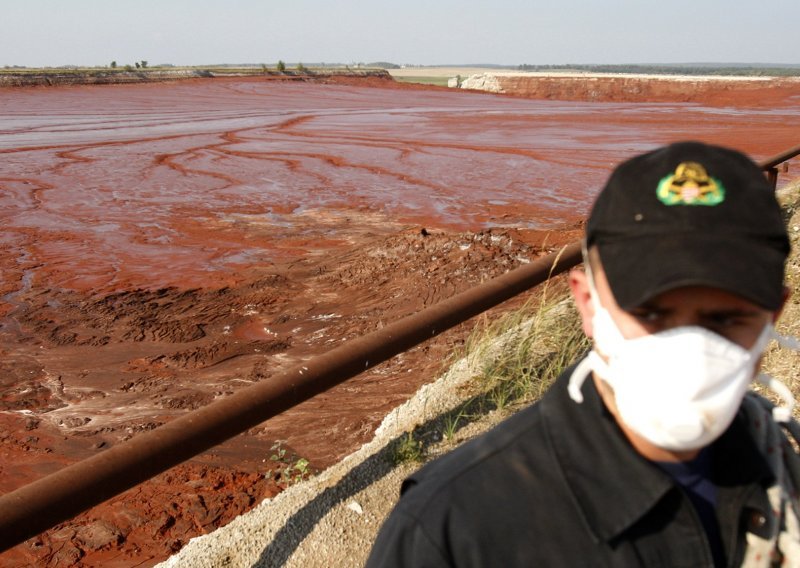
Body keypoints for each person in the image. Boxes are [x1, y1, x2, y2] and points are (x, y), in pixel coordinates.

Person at [366, 141, 800, 567]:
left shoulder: (783, 464)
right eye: (650, 313)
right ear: (588, 303)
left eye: (725, 320)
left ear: (772, 316)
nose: (691, 351)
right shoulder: (454, 530)